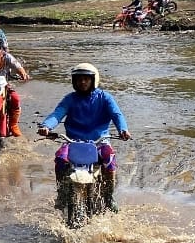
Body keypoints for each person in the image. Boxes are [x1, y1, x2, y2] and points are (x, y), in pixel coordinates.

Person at [37, 62, 131, 213]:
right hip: (73, 142)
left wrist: (123, 129)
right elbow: (57, 114)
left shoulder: (105, 98)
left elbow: (117, 115)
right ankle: (61, 194)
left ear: (93, 80)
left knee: (110, 160)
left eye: (86, 79)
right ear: (74, 81)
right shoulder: (70, 99)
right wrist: (46, 126)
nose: (82, 82)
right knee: (60, 159)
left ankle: (109, 197)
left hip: (99, 142)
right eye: (79, 79)